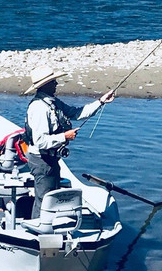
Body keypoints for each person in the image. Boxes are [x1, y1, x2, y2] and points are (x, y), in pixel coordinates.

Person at [22, 65, 115, 218]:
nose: (56, 84)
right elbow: (40, 141)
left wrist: (101, 101)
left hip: (50, 159)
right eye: (53, 82)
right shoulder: (39, 108)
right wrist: (64, 136)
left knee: (50, 198)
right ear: (45, 85)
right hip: (41, 160)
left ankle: (47, 230)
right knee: (44, 200)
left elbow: (76, 113)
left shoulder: (53, 103)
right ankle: (38, 232)